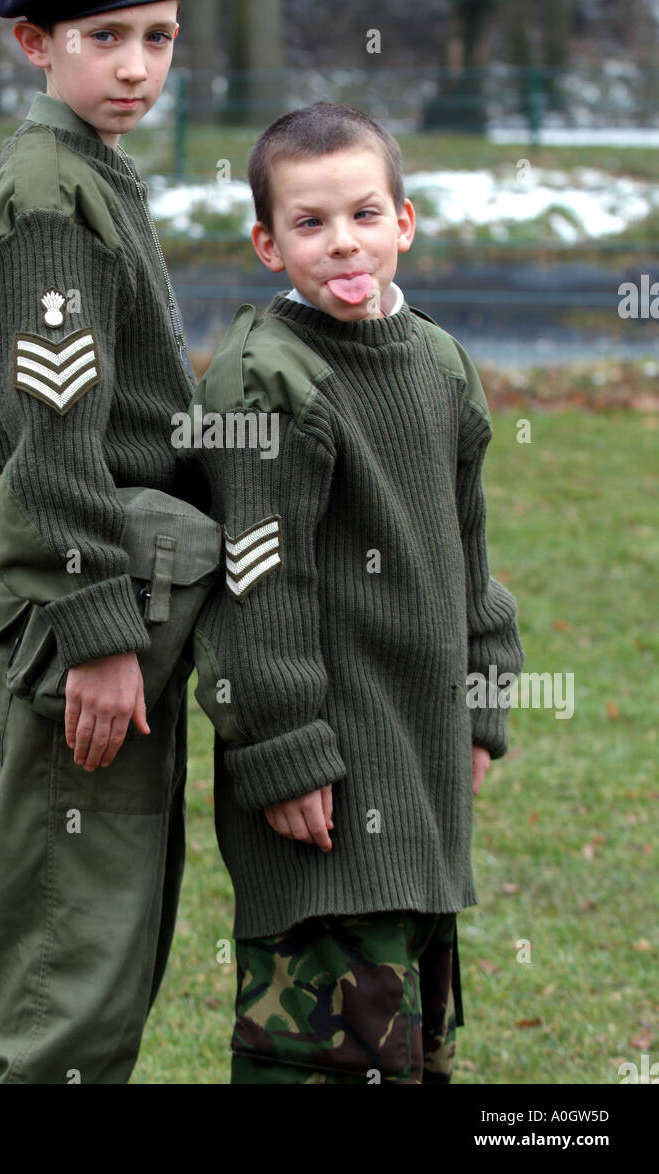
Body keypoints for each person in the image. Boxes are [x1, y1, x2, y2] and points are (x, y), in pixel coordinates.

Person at [184, 101, 525, 1084]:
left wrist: (482, 698)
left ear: (403, 223)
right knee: (327, 1062)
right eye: (309, 222)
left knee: (413, 1051)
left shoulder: (435, 361)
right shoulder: (266, 380)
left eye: (363, 215)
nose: (342, 241)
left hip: (421, 780)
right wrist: (284, 747)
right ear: (265, 242)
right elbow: (256, 582)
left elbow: (465, 552)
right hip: (322, 789)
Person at [0, 0, 198, 1084]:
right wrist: (101, 634)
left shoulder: (88, 172)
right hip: (68, 625)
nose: (137, 65)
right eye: (107, 36)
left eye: (160, 35)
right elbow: (53, 440)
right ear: (35, 42)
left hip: (80, 603)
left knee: (89, 943)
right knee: (60, 978)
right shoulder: (51, 196)